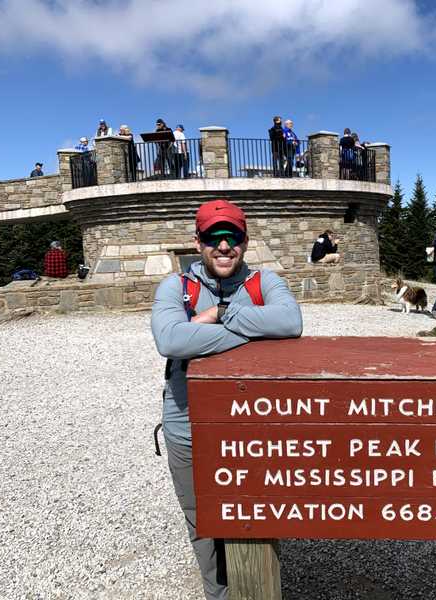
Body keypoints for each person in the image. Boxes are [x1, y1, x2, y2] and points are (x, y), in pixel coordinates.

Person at [151, 198, 303, 600]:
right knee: (200, 518)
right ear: (197, 242)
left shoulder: (264, 281)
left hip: (252, 422)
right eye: (213, 237)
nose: (223, 246)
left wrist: (216, 316)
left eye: (232, 237)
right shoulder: (176, 286)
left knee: (256, 508)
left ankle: (258, 587)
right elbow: (169, 339)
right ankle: (218, 593)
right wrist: (251, 331)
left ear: (245, 240)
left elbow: (290, 321)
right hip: (186, 423)